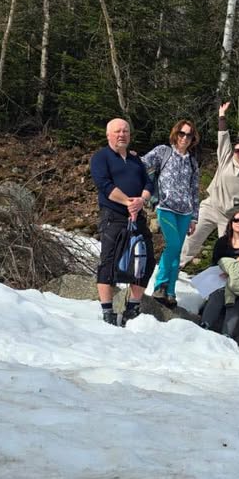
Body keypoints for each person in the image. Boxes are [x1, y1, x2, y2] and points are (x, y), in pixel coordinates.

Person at [180, 101, 239, 266]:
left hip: (229, 217)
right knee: (192, 239)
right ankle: (176, 268)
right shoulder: (226, 160)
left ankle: (223, 279)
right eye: (238, 151)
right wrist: (222, 116)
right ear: (234, 153)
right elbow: (223, 137)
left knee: (227, 249)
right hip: (210, 207)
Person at [90, 117, 155, 326]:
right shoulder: (101, 158)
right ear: (108, 135)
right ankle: (108, 310)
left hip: (137, 218)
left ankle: (133, 306)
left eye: (125, 131)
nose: (121, 135)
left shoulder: (136, 160)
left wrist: (141, 200)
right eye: (117, 131)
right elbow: (104, 184)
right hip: (113, 216)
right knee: (109, 261)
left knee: (146, 260)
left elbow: (148, 182)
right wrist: (128, 202)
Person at [142, 119, 200, 308]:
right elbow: (143, 163)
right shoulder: (163, 152)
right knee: (173, 245)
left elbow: (194, 190)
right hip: (166, 207)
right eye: (181, 133)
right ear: (175, 134)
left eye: (188, 135)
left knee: (176, 251)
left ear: (193, 138)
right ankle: (160, 285)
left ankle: (170, 291)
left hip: (185, 212)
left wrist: (194, 217)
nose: (184, 138)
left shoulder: (192, 162)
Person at [200, 210, 239, 340]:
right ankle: (203, 327)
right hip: (221, 283)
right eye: (236, 220)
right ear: (231, 223)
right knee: (217, 296)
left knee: (236, 305)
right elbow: (214, 263)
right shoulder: (222, 242)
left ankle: (226, 338)